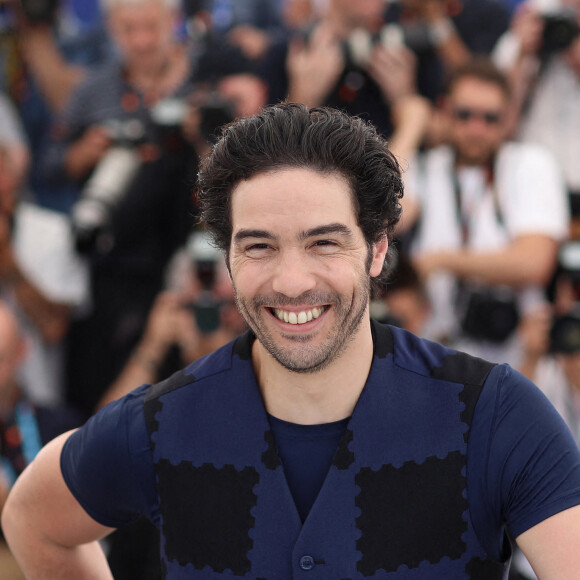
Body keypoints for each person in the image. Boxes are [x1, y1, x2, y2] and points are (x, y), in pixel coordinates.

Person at [3, 103, 580, 578]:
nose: (292, 282)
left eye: (324, 243)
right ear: (227, 257)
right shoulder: (161, 424)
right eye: (258, 246)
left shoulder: (496, 415)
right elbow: (34, 521)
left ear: (377, 249)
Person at [44, 0, 198, 417]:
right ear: (111, 29)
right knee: (103, 399)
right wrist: (89, 150)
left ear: (172, 22)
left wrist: (201, 134)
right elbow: (50, 166)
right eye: (129, 30)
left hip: (187, 258)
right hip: (108, 267)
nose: (142, 41)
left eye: (150, 27)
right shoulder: (94, 90)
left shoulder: (204, 79)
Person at [406, 57, 569, 366]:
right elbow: (389, 218)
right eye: (464, 114)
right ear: (444, 110)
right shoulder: (425, 167)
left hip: (517, 356)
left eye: (490, 118)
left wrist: (441, 261)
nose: (476, 128)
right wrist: (413, 125)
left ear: (508, 119)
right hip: (435, 352)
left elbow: (534, 263)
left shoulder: (529, 163)